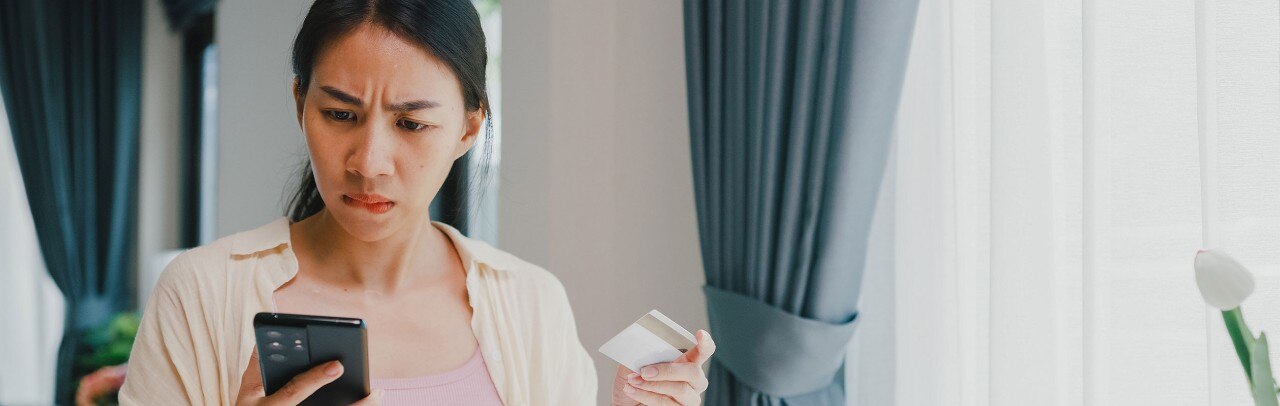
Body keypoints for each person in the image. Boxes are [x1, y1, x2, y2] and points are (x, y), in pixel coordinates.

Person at [118, 0, 715, 404]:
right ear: (300, 103)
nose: (369, 161)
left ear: (468, 127)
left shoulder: (531, 302)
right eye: (340, 114)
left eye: (411, 124)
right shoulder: (200, 293)